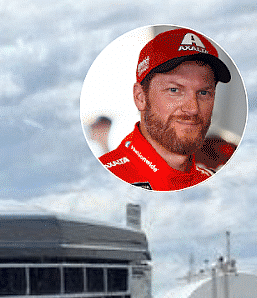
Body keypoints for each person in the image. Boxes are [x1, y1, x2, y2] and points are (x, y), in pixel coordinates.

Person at [98, 28, 231, 191]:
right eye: (174, 90)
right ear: (140, 97)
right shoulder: (104, 180)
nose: (193, 108)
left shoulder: (214, 183)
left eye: (203, 92)